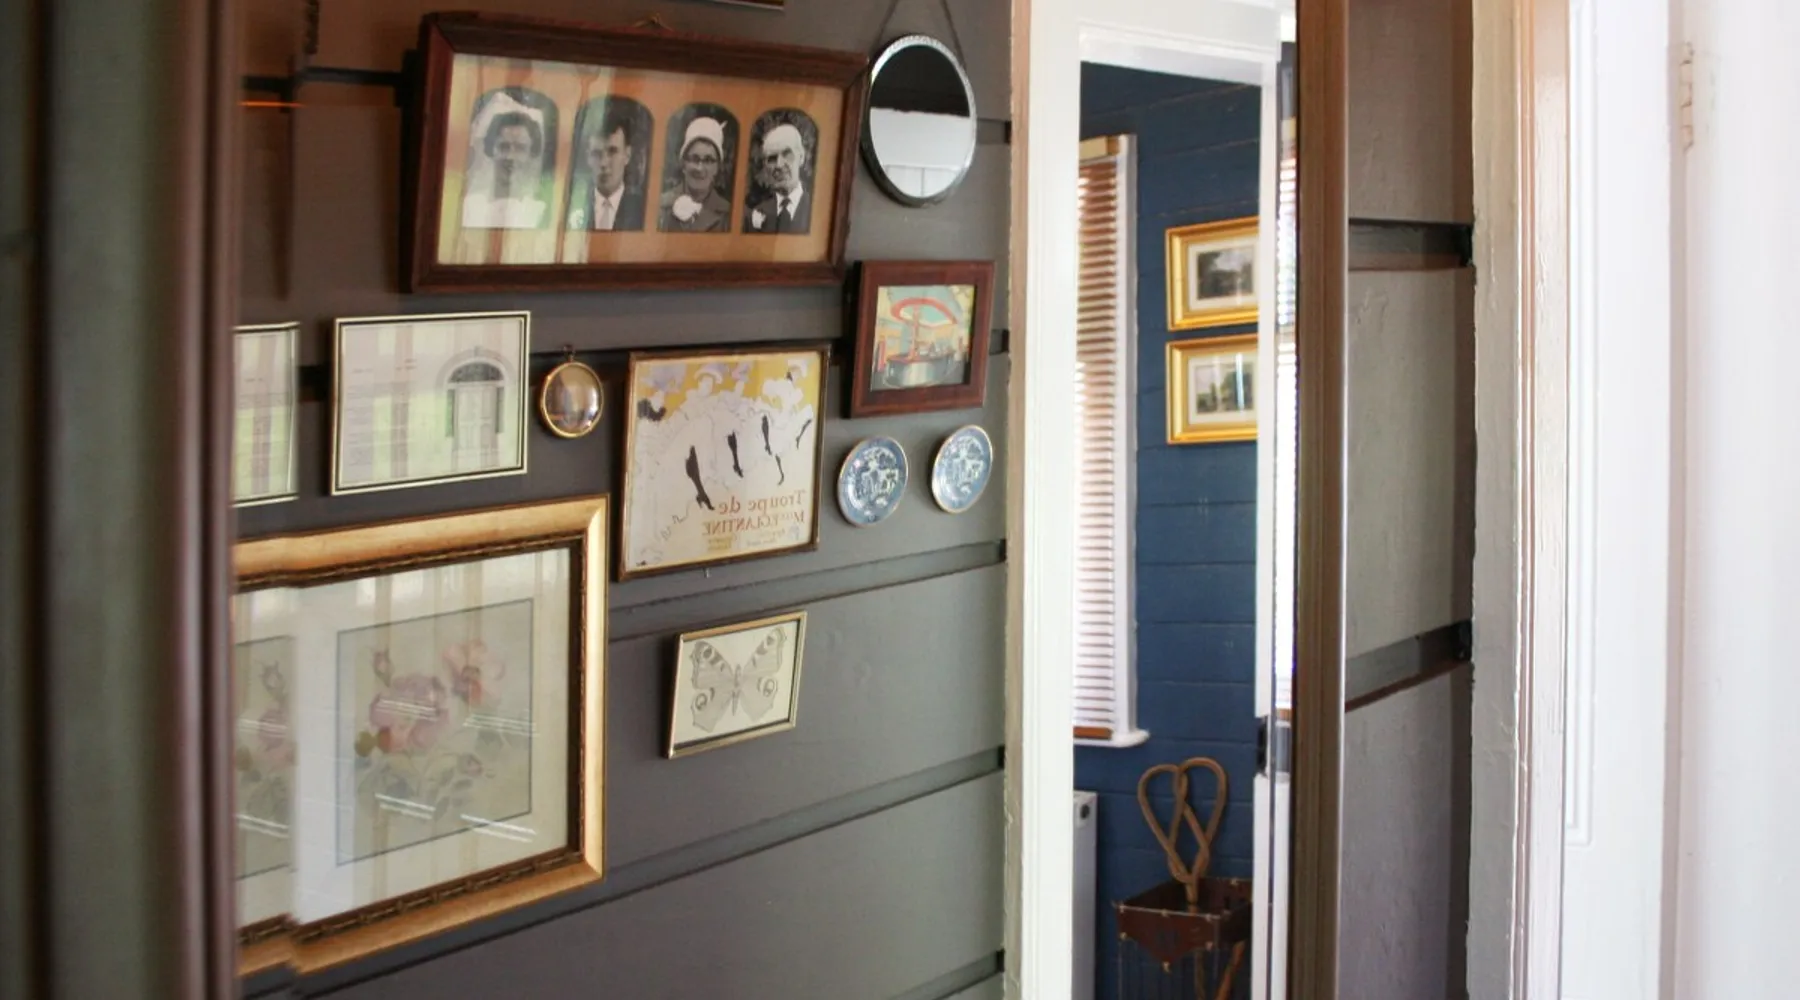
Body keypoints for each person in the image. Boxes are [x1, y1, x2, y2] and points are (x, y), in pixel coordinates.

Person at [461, 103, 548, 229]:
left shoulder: (539, 212)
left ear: (531, 154)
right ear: (491, 150)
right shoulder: (470, 207)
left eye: (520, 148)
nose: (510, 157)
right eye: (503, 147)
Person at [570, 106, 645, 232]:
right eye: (596, 153)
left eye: (612, 151)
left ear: (627, 155)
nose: (604, 163)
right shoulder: (572, 207)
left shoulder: (643, 211)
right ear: (588, 157)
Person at [658, 117, 732, 233]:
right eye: (694, 158)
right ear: (683, 164)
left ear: (717, 167)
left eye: (708, 160)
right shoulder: (661, 208)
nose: (699, 168)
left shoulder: (728, 215)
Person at [745, 122, 811, 235]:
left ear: (801, 157)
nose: (779, 165)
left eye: (787, 154)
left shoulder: (816, 210)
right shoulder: (757, 213)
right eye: (772, 159)